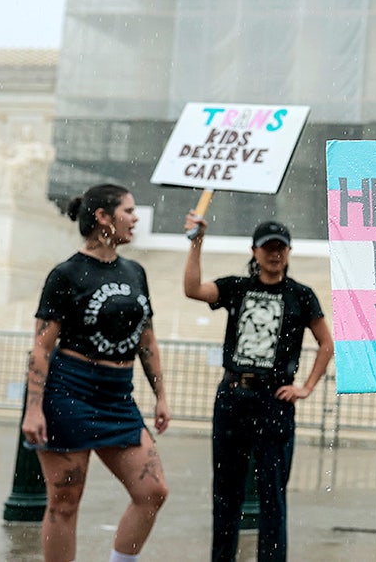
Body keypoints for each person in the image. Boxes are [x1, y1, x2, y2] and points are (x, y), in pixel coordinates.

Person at [21, 183, 170, 562]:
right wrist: (34, 409)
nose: (136, 219)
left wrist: (161, 395)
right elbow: (41, 346)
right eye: (129, 211)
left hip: (118, 396)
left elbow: (146, 338)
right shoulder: (67, 274)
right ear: (103, 217)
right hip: (70, 392)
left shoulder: (135, 272)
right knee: (66, 500)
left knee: (152, 491)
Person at [182, 214, 335, 562]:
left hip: (275, 400)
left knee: (272, 495)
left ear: (290, 252)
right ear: (255, 250)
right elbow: (192, 289)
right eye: (268, 247)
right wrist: (196, 242)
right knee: (225, 492)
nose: (274, 254)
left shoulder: (301, 295)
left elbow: (327, 343)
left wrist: (306, 387)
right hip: (233, 397)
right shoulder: (237, 287)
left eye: (280, 247)